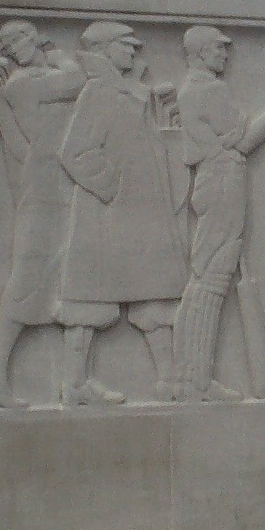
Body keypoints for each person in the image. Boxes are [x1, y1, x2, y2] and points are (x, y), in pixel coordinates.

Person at [57, 22, 190, 403]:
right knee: (90, 302)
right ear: (104, 49)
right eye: (125, 45)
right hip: (108, 216)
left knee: (155, 294)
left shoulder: (125, 91)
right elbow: (74, 153)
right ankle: (75, 384)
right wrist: (113, 187)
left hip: (141, 214)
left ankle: (169, 380)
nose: (133, 51)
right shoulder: (99, 91)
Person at [174, 25, 265, 402]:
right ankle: (198, 382)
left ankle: (188, 377)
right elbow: (246, 140)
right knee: (212, 278)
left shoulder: (194, 88)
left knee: (206, 276)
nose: (225, 55)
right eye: (218, 49)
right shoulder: (209, 89)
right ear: (201, 53)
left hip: (217, 182)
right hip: (221, 182)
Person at [0, 20, 86, 408]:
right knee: (27, 277)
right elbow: (77, 80)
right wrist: (57, 55)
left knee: (73, 279)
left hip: (67, 185)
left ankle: (75, 381)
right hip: (42, 190)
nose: (15, 46)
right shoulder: (23, 83)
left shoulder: (36, 80)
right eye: (8, 43)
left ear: (34, 37)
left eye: (20, 38)